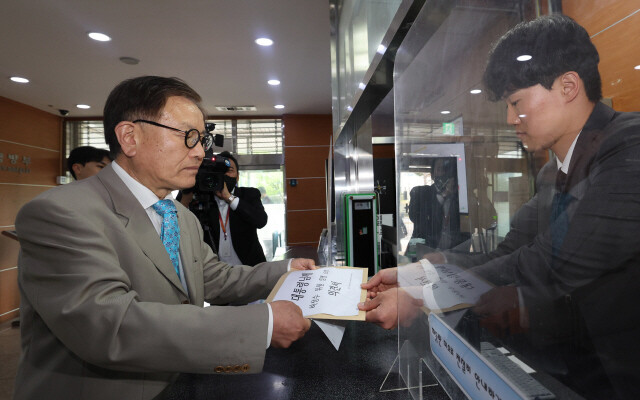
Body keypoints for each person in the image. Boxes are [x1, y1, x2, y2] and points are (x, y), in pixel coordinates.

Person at [360, 15, 640, 398]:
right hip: (575, 371)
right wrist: (418, 274)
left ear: (568, 86)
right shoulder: (550, 176)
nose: (511, 119)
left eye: (517, 102)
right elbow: (509, 252)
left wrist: (424, 294)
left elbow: (549, 264)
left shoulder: (630, 146)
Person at [14, 76, 315, 400]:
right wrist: (263, 324)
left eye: (203, 139)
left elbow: (213, 277)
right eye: (189, 137)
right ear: (130, 137)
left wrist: (285, 271)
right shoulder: (60, 213)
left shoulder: (179, 215)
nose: (200, 152)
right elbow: (112, 325)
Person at [209, 151, 268, 266]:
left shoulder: (249, 194)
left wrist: (229, 197)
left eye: (230, 170)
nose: (225, 175)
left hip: (249, 269)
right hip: (216, 273)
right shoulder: (204, 199)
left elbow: (261, 221)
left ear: (237, 176)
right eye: (220, 171)